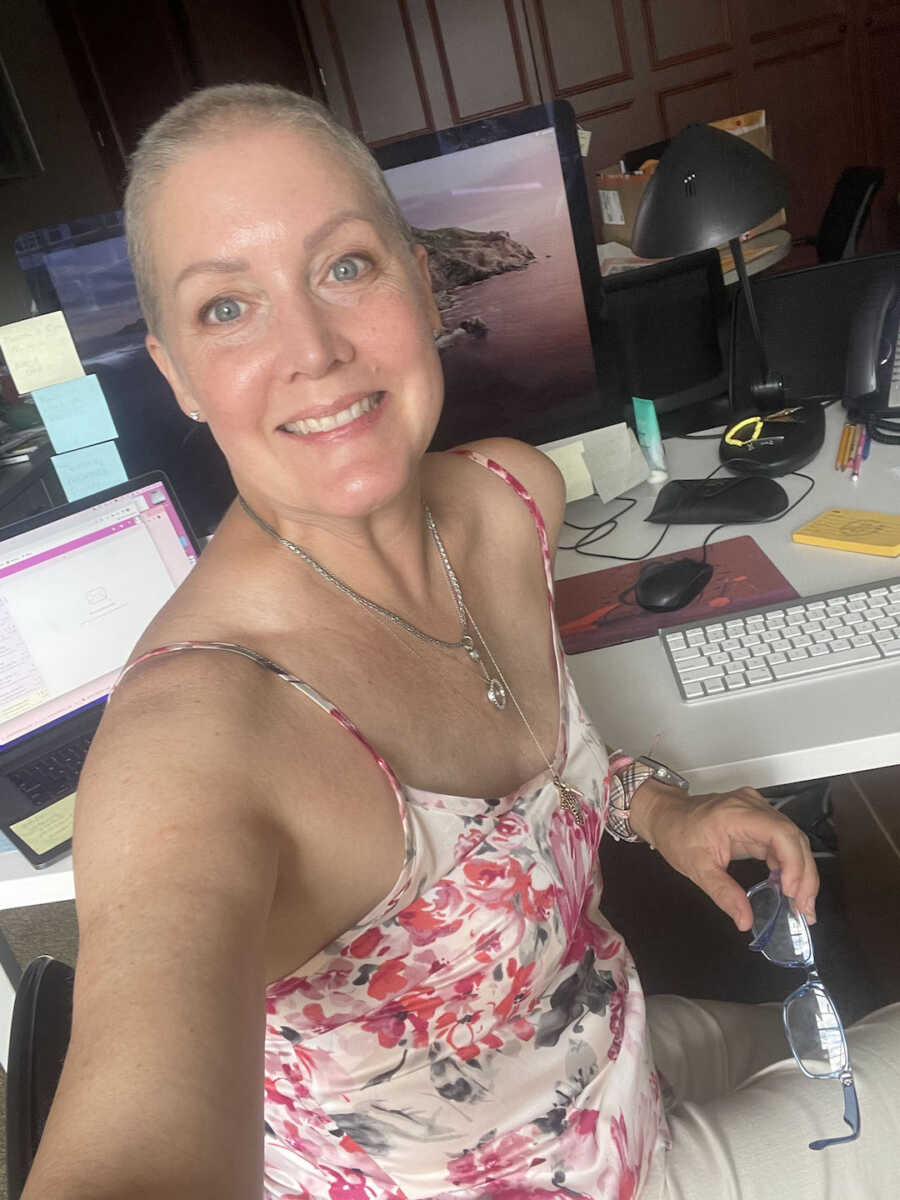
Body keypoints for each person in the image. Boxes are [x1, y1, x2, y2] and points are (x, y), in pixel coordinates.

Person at [22, 85, 899, 1200]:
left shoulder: (508, 499)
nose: (314, 351)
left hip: (596, 1053)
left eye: (345, 267)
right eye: (226, 309)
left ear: (422, 282)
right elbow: (136, 1135)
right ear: (178, 376)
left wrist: (659, 806)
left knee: (826, 1021)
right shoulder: (193, 739)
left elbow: (547, 769)